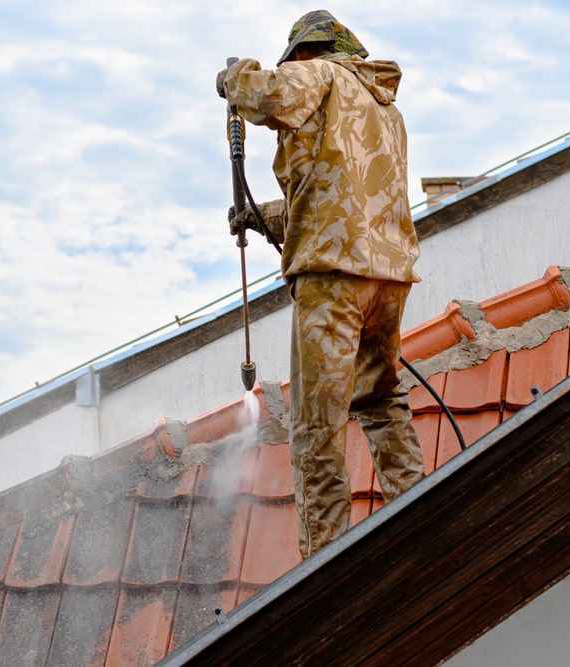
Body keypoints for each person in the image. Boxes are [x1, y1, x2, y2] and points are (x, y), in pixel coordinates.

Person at [217, 10, 425, 559]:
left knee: (317, 428)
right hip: (387, 276)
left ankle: (325, 564)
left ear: (308, 52)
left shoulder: (320, 74)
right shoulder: (385, 108)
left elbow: (264, 96)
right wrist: (263, 217)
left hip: (332, 283)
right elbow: (337, 199)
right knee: (380, 399)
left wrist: (232, 78)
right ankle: (421, 514)